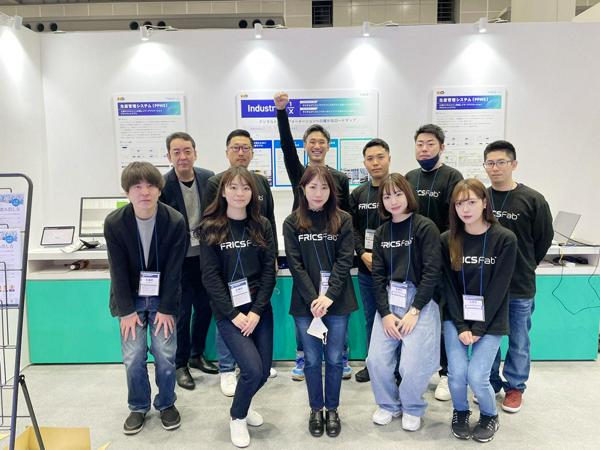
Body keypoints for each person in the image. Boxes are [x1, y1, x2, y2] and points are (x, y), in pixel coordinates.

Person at [274, 91, 352, 381]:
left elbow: (347, 212)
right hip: (305, 245)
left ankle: (341, 355)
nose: (317, 145)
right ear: (306, 146)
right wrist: (281, 112)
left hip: (331, 247)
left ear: (329, 146)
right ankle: (302, 355)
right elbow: (286, 148)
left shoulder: (339, 178)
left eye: (321, 141)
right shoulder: (300, 173)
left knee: (337, 305)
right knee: (305, 304)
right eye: (311, 141)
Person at [105, 161, 186, 435]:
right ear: (127, 191)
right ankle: (138, 406)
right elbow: (116, 270)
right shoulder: (114, 223)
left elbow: (175, 269)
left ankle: (166, 403)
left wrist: (167, 308)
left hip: (164, 298)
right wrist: (126, 312)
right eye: (137, 186)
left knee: (165, 354)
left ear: (159, 190)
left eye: (151, 185)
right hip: (130, 299)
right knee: (133, 356)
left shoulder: (174, 220)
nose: (144, 192)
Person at [198, 166, 277, 448]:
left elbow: (269, 272)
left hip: (259, 308)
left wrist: (256, 311)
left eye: (246, 188)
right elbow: (210, 276)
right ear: (223, 191)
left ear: (253, 193)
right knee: (252, 369)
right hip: (229, 312)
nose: (239, 193)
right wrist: (233, 315)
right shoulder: (210, 227)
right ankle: (237, 416)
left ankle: (245, 403)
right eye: (233, 187)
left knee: (263, 372)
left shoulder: (262, 225)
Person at [283, 165, 357, 438]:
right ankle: (316, 409)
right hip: (306, 304)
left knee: (335, 359)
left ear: (332, 191)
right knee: (312, 360)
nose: (318, 192)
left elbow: (344, 260)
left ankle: (332, 409)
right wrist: (314, 298)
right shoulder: (292, 222)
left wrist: (328, 296)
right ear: (302, 189)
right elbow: (295, 264)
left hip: (337, 301)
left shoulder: (343, 219)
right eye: (312, 187)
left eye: (324, 187)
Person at [441, 178, 518, 443]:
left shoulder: (505, 239)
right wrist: (462, 326)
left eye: (471, 202)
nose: (465, 209)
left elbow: (499, 288)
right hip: (456, 318)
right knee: (456, 375)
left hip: (491, 319)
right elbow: (448, 287)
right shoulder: (447, 239)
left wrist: (479, 328)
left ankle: (489, 415)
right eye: (459, 203)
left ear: (485, 203)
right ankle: (461, 412)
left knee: (477, 375)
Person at [205, 129, 278, 396]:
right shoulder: (215, 182)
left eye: (246, 147)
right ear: (227, 151)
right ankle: (227, 368)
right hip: (227, 273)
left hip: (253, 268)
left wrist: (272, 257)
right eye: (235, 147)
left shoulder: (260, 182)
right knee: (228, 317)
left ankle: (252, 365)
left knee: (254, 322)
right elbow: (212, 219)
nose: (241, 152)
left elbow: (268, 217)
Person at [483, 140, 553, 413]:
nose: (495, 168)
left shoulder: (532, 199)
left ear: (514, 164)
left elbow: (543, 239)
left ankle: (515, 387)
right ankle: (490, 382)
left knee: (519, 340)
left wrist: (524, 264)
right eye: (490, 163)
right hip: (486, 285)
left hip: (519, 285)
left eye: (501, 162)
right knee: (487, 337)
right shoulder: (480, 197)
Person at [368, 173, 441, 432]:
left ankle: (412, 406)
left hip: (420, 300)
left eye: (398, 194)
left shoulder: (425, 227)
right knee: (376, 360)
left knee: (412, 364)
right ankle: (388, 404)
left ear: (408, 194)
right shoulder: (382, 232)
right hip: (390, 299)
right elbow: (377, 276)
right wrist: (385, 314)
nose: (393, 200)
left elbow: (432, 271)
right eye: (387, 196)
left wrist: (415, 310)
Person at [405, 123, 463, 401]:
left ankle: (446, 373)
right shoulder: (410, 177)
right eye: (420, 144)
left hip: (444, 262)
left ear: (442, 147)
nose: (424, 149)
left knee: (444, 319)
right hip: (415, 264)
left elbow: (457, 220)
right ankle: (423, 368)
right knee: (419, 318)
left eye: (430, 144)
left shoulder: (452, 177)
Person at [159, 132, 217, 391]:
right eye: (176, 152)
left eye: (187, 151)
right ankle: (180, 363)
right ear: (169, 156)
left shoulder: (208, 178)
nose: (182, 157)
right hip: (178, 261)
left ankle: (197, 354)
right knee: (181, 314)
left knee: (205, 309)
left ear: (195, 153)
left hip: (205, 258)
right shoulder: (162, 185)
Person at [349, 139, 391, 383]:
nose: (375, 163)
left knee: (394, 317)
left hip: (395, 270)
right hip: (367, 267)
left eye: (380, 157)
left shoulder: (398, 189)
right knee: (371, 317)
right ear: (364, 163)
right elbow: (352, 228)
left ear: (389, 158)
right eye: (370, 158)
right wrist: (361, 253)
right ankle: (372, 363)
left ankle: (395, 367)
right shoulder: (358, 194)